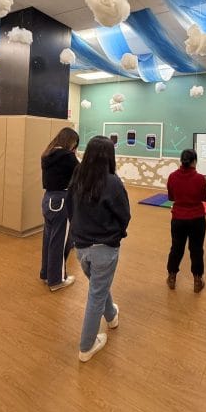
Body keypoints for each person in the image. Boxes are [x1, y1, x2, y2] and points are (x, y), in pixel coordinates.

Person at [67, 136, 130, 362]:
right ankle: (87, 346)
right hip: (104, 248)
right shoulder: (113, 182)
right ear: (109, 156)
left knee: (98, 286)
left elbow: (70, 209)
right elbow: (124, 215)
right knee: (96, 293)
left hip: (81, 247)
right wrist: (116, 234)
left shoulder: (77, 177)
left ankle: (111, 316)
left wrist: (77, 231)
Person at [40, 127, 79, 291]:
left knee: (49, 240)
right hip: (61, 201)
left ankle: (46, 274)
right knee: (60, 243)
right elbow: (81, 174)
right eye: (74, 144)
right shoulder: (67, 156)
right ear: (70, 141)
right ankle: (57, 280)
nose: (74, 147)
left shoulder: (47, 154)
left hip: (48, 199)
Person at [166, 149, 206, 293]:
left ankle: (171, 277)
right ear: (194, 161)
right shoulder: (200, 178)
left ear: (181, 160)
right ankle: (197, 281)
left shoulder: (172, 177)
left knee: (176, 248)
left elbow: (171, 197)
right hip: (197, 219)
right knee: (196, 249)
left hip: (178, 219)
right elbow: (205, 198)